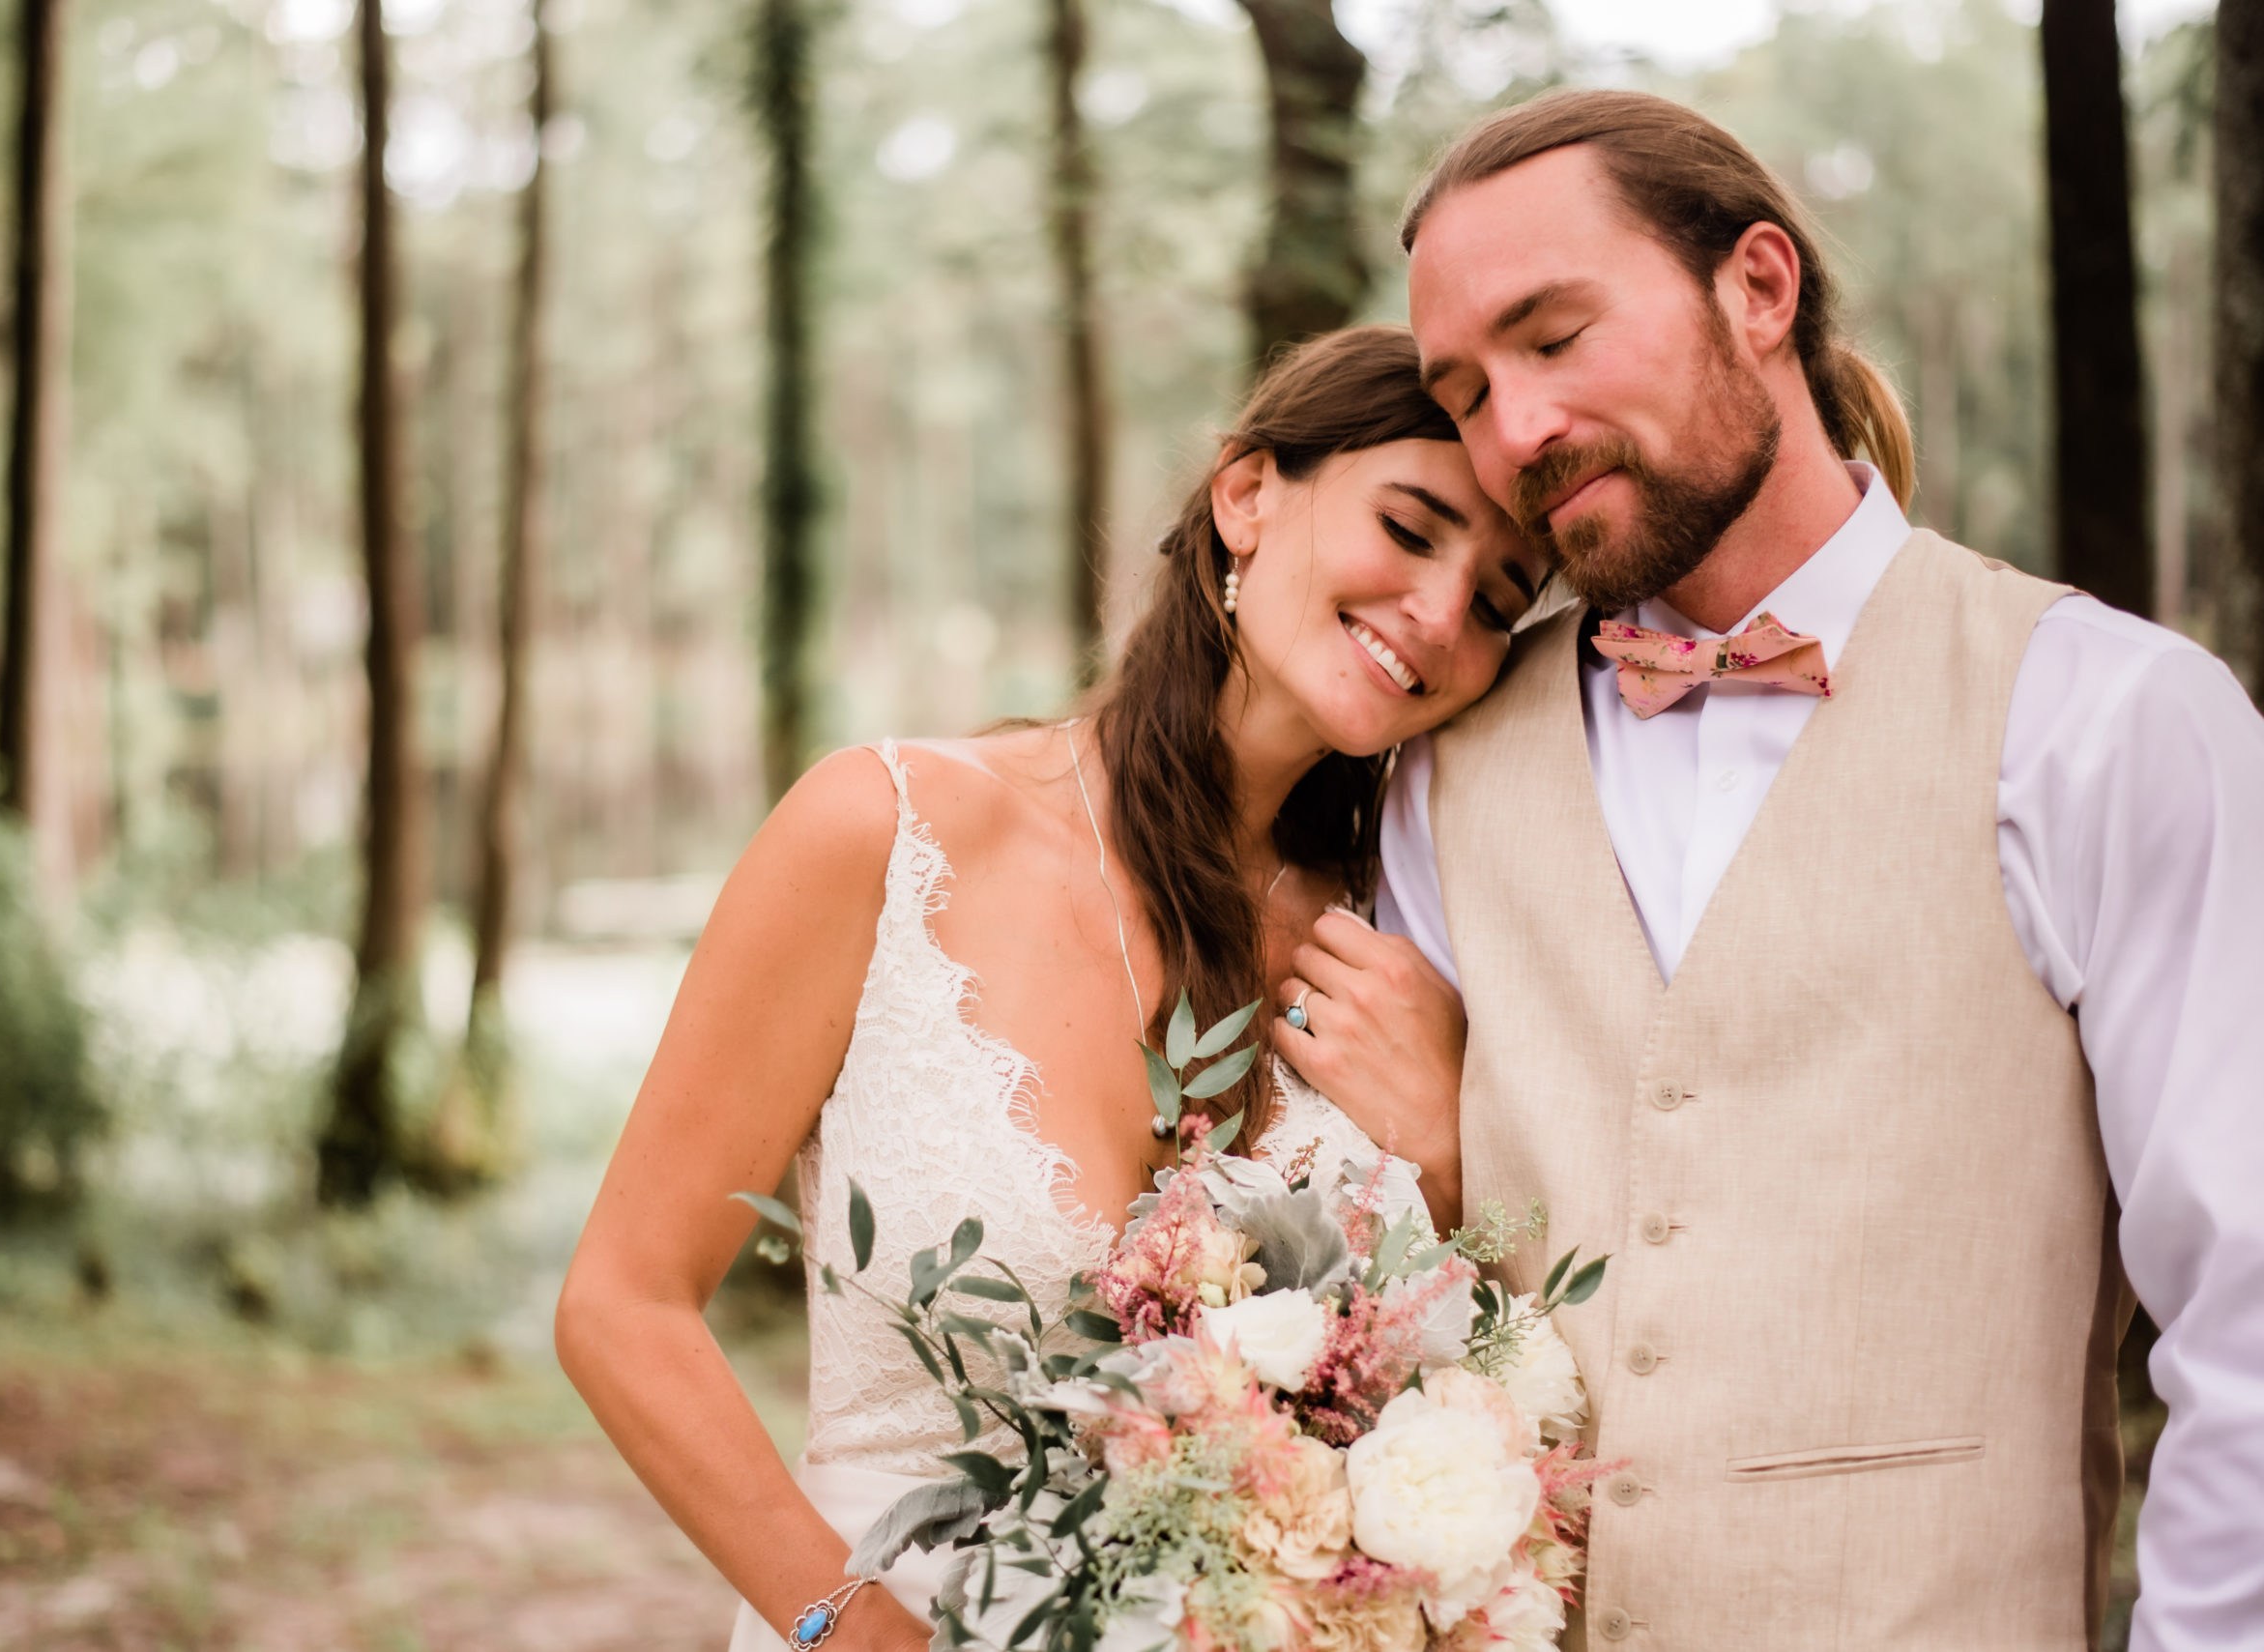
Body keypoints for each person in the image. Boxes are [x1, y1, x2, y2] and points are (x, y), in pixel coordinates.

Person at [1340, 88, 2264, 1648]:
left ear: (1758, 288)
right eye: (1466, 390)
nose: (1514, 433)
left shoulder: (2104, 716)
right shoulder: (1439, 768)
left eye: (1554, 339)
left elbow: (2246, 1308)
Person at [555, 327, 1543, 1650]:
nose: (1440, 608)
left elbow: (1479, 1376)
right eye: (1412, 530)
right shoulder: (886, 832)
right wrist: (850, 1632)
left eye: (1497, 598)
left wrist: (1442, 1148)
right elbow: (622, 1305)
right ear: (1247, 496)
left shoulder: (1397, 942)